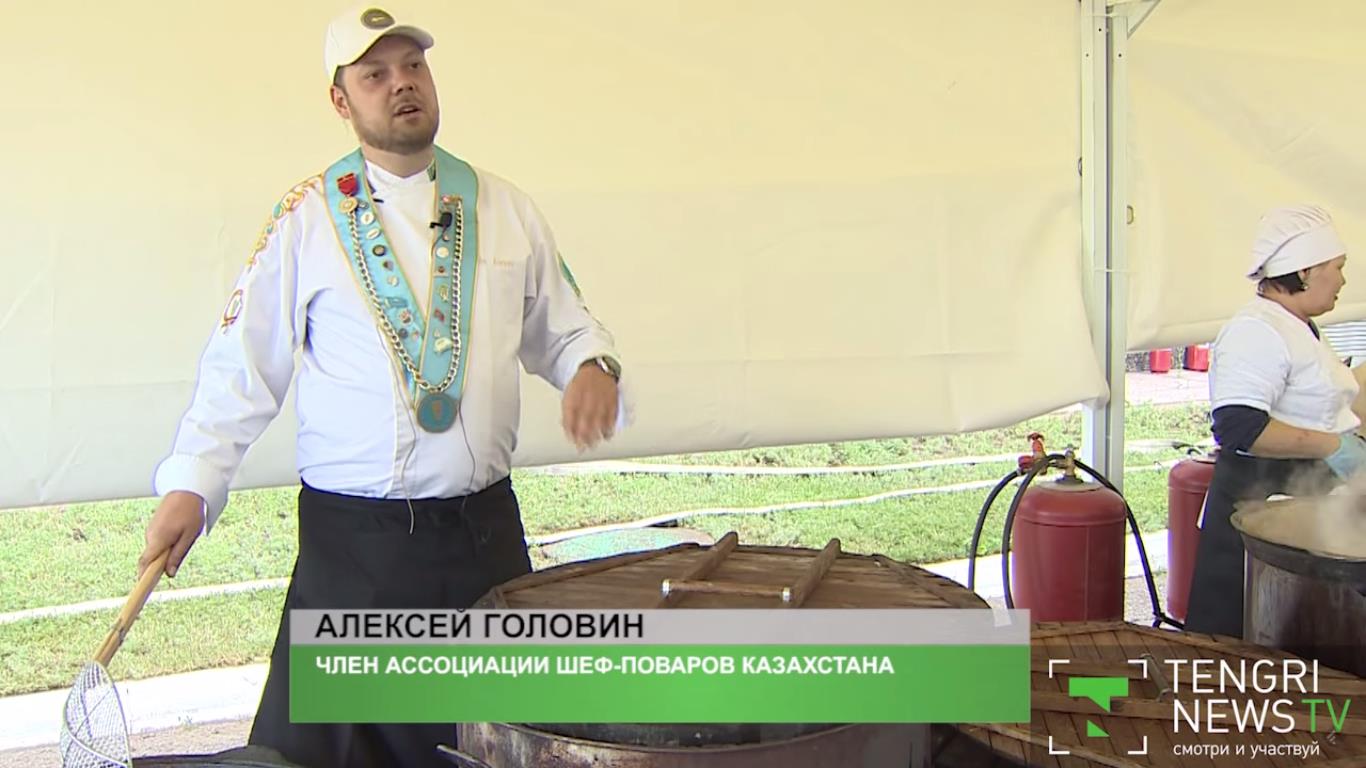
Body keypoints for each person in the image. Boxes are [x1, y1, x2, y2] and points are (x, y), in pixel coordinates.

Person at [135, 6, 632, 767]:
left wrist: (593, 366)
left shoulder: (504, 208)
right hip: (355, 556)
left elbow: (566, 329)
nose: (402, 84)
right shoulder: (305, 220)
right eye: (375, 74)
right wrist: (193, 484)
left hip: (482, 544)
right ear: (341, 101)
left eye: (413, 67)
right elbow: (242, 365)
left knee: (493, 747)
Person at [1185, 204, 1366, 638]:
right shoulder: (1256, 330)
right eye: (1338, 267)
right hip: (1257, 506)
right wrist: (1333, 447)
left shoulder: (1298, 326)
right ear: (1305, 271)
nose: (1343, 280)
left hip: (1302, 498)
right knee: (1240, 640)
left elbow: (1321, 400)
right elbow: (1238, 426)